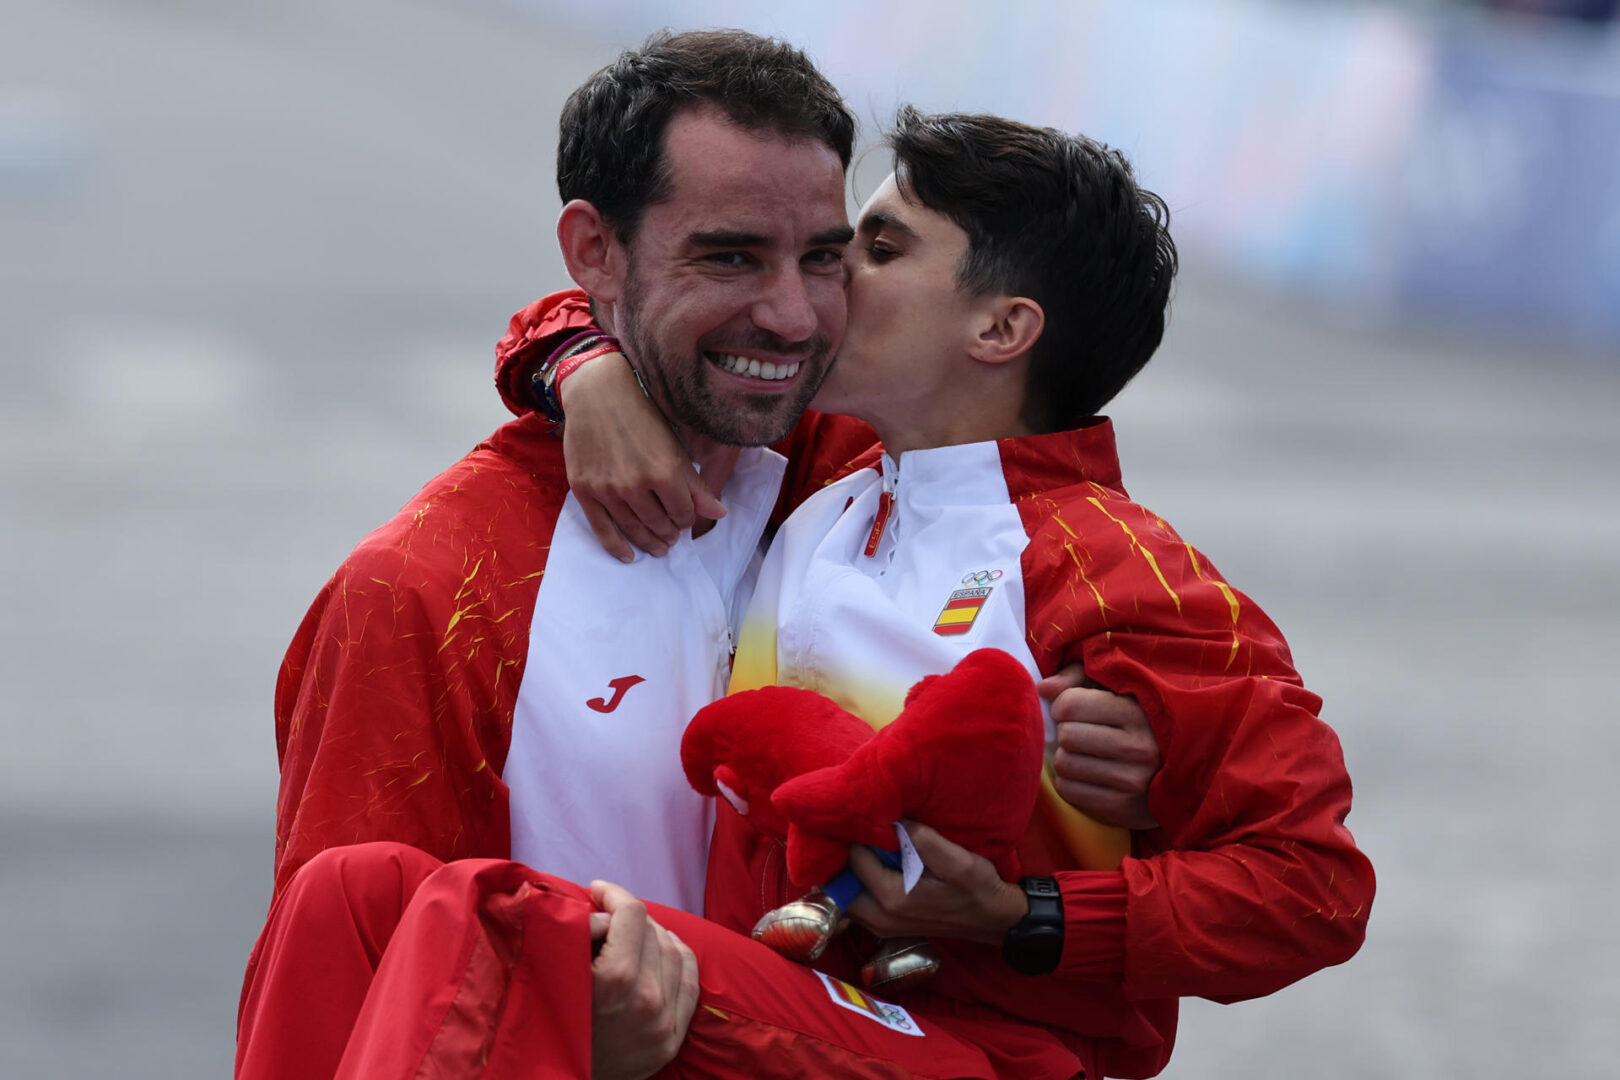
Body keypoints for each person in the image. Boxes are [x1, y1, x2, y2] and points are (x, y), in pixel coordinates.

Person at [239, 106, 1372, 1080]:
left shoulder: (1122, 574)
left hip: (980, 1052)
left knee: (498, 926)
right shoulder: (830, 476)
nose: (809, 295)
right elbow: (642, 301)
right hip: (787, 1003)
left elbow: (1313, 887)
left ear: (1000, 327)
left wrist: (1028, 916)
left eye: (864, 250)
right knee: (356, 890)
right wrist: (580, 370)